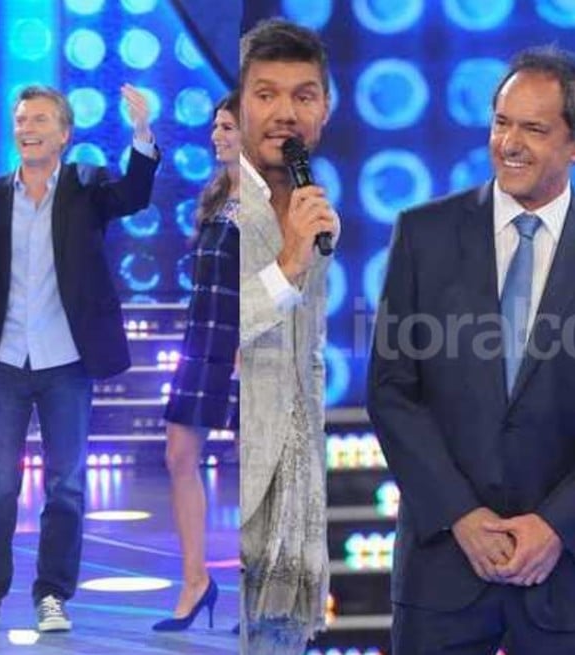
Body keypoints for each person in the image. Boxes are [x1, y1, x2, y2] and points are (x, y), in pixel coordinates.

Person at [367, 46, 575, 654]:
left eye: (533, 128)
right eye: (501, 123)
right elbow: (392, 392)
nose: (510, 143)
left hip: (569, 578)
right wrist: (462, 516)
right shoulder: (423, 234)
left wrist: (556, 527)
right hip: (443, 568)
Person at [0, 84, 161, 635]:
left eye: (41, 119)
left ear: (64, 133)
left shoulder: (87, 185)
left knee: (66, 485)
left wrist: (141, 132)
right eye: (22, 119)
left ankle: (52, 595)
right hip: (4, 360)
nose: (28, 128)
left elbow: (135, 194)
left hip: (66, 361)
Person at [236, 18, 337, 654]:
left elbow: (310, 354)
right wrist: (288, 265)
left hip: (295, 494)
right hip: (237, 483)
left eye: (304, 95)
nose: (285, 113)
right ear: (240, 104)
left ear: (324, 110)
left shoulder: (313, 211)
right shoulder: (220, 202)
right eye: (266, 94)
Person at [151, 92, 240, 632]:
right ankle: (195, 581)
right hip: (201, 340)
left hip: (245, 344)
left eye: (228, 126)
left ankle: (261, 583)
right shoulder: (216, 195)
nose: (217, 136)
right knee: (179, 455)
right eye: (216, 127)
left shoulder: (271, 198)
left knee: (255, 468)